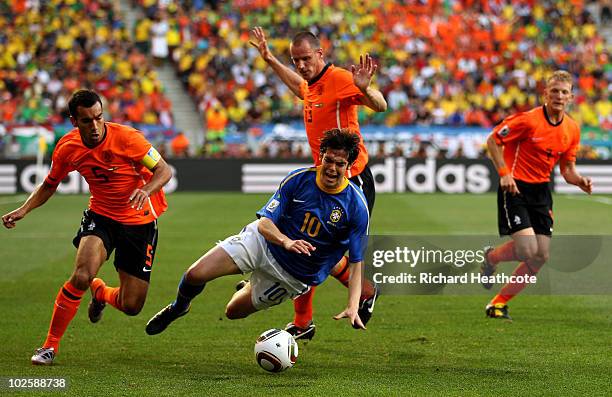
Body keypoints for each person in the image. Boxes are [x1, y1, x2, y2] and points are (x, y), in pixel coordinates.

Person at [2, 89, 172, 365]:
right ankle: (49, 346)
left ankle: (101, 291)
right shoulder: (67, 148)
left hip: (139, 221)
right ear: (73, 121)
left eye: (98, 118)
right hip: (101, 215)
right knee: (81, 274)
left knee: (132, 305)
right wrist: (23, 210)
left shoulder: (128, 139)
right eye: (86, 121)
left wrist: (147, 188)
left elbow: (164, 170)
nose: (94, 126)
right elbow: (49, 184)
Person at [145, 128, 370, 336]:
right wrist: (286, 241)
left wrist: (352, 305)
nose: (331, 168)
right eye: (328, 160)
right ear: (321, 156)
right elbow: (264, 223)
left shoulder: (356, 206)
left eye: (339, 164)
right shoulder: (299, 179)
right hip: (264, 243)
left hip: (293, 277)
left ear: (348, 165)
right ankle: (179, 307)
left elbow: (356, 262)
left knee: (233, 312)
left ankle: (251, 286)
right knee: (195, 274)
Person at [250, 26, 387, 339]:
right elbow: (301, 88)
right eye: (296, 59)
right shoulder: (312, 84)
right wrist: (270, 60)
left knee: (317, 248)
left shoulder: (339, 79)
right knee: (306, 242)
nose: (300, 65)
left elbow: (380, 105)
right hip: (321, 179)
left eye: (306, 58)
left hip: (350, 180)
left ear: (321, 54)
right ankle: (307, 320)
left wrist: (365, 89)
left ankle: (352, 298)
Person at [481, 70, 593, 320]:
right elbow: (493, 140)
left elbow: (567, 169)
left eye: (564, 92)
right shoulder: (528, 120)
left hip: (541, 192)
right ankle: (491, 258)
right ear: (545, 94)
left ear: (571, 97)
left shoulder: (572, 129)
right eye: (554, 91)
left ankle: (498, 303)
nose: (559, 96)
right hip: (516, 187)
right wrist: (504, 173)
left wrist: (580, 181)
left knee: (541, 255)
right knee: (527, 249)